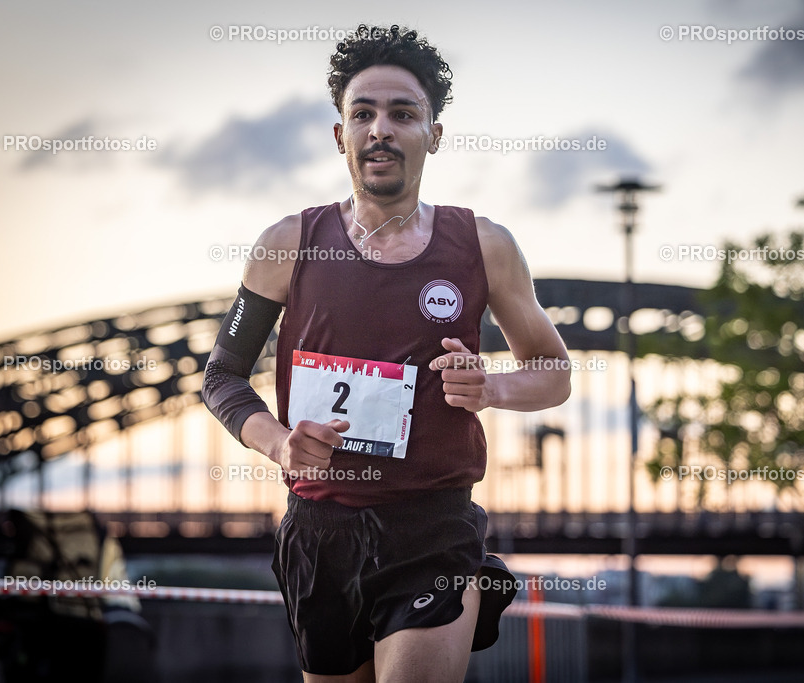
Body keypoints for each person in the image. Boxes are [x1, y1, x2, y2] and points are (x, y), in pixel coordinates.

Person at [202, 24, 571, 682]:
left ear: (432, 134)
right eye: (363, 113)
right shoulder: (287, 242)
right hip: (320, 534)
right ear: (340, 135)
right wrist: (279, 441)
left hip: (433, 527)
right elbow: (222, 374)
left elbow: (555, 369)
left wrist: (494, 388)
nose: (382, 129)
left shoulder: (484, 244)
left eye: (403, 113)